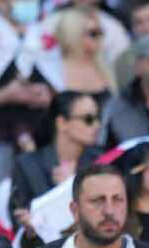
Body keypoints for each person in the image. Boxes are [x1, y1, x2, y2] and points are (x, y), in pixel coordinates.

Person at [6, 92, 104, 229]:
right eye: (88, 119)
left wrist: (71, 185)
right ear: (62, 123)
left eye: (98, 118)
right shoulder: (27, 165)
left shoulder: (102, 161)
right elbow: (18, 217)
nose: (97, 125)